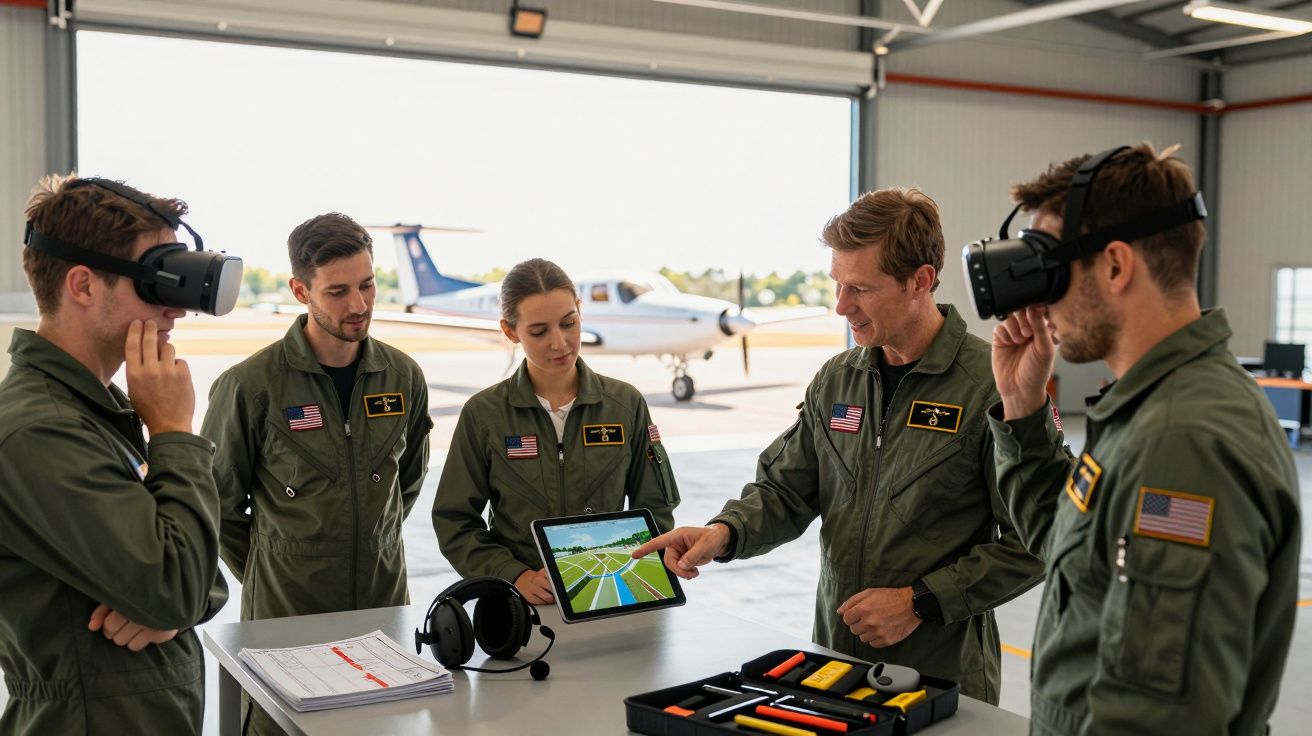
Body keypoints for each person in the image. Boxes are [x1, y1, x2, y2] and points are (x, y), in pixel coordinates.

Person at [632, 188, 1044, 702]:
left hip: (942, 677)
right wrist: (724, 532)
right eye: (837, 284)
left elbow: (1037, 539)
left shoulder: (991, 385)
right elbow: (787, 491)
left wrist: (919, 602)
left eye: (861, 289)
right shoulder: (837, 380)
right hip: (837, 665)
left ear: (921, 280)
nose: (839, 306)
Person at [987, 143, 1300, 733]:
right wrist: (1024, 412)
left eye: (1049, 270)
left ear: (1114, 265)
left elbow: (1155, 717)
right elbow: (1070, 547)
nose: (1036, 299)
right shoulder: (1151, 409)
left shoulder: (1182, 441)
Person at [0, 175, 227, 733]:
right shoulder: (41, 431)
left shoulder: (96, 412)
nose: (178, 309)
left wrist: (171, 608)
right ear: (82, 285)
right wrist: (174, 432)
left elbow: (203, 578)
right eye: (158, 281)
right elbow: (178, 585)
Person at [201, 213, 432, 734]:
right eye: (338, 292)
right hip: (288, 624)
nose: (359, 305)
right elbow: (215, 503)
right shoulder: (250, 386)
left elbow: (407, 479)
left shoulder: (402, 377)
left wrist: (372, 539)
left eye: (368, 285)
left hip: (383, 618)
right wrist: (276, 563)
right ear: (301, 291)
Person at [434, 258, 679, 604]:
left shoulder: (625, 406)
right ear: (510, 331)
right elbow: (454, 521)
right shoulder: (484, 415)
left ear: (580, 311)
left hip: (612, 599)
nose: (559, 343)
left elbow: (655, 510)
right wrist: (513, 575)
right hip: (519, 605)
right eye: (539, 331)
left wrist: (638, 581)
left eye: (569, 323)